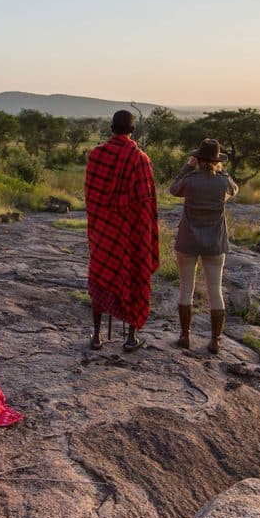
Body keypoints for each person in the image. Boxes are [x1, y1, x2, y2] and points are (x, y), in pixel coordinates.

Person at [84, 109, 159, 351]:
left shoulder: (96, 156)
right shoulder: (141, 159)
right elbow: (146, 203)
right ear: (133, 130)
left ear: (111, 128)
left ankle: (97, 337)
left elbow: (91, 197)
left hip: (104, 232)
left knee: (100, 277)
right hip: (130, 235)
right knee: (133, 276)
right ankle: (130, 339)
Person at [168, 138, 239, 354]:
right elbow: (234, 189)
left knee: (186, 288)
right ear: (217, 160)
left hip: (188, 240)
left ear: (197, 158)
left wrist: (188, 166)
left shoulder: (190, 179)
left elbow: (173, 189)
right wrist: (222, 171)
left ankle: (185, 336)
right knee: (215, 290)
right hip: (215, 243)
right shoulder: (223, 182)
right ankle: (215, 341)